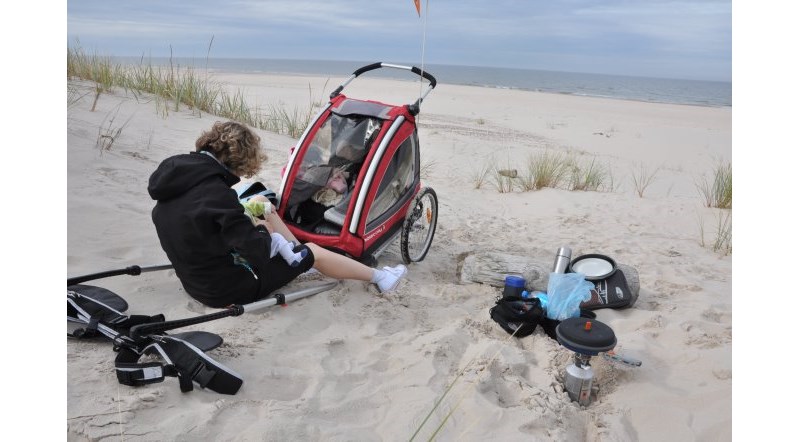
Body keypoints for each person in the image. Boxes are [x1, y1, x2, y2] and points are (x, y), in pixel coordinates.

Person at [147, 120, 407, 308]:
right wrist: (261, 228)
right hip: (228, 289)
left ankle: (299, 261)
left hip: (195, 280)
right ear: (239, 163)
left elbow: (205, 219)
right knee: (312, 251)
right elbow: (257, 253)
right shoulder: (217, 195)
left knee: (260, 202)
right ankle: (382, 278)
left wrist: (252, 217)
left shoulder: (178, 176)